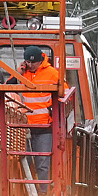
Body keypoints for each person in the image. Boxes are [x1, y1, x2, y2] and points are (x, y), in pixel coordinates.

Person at [16, 46, 62, 182]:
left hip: (44, 127)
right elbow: (7, 85)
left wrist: (53, 109)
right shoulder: (23, 73)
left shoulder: (53, 74)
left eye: (33, 63)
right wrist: (19, 73)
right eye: (27, 62)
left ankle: (43, 194)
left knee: (42, 163)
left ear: (40, 61)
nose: (30, 65)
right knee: (23, 163)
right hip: (24, 127)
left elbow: (65, 94)